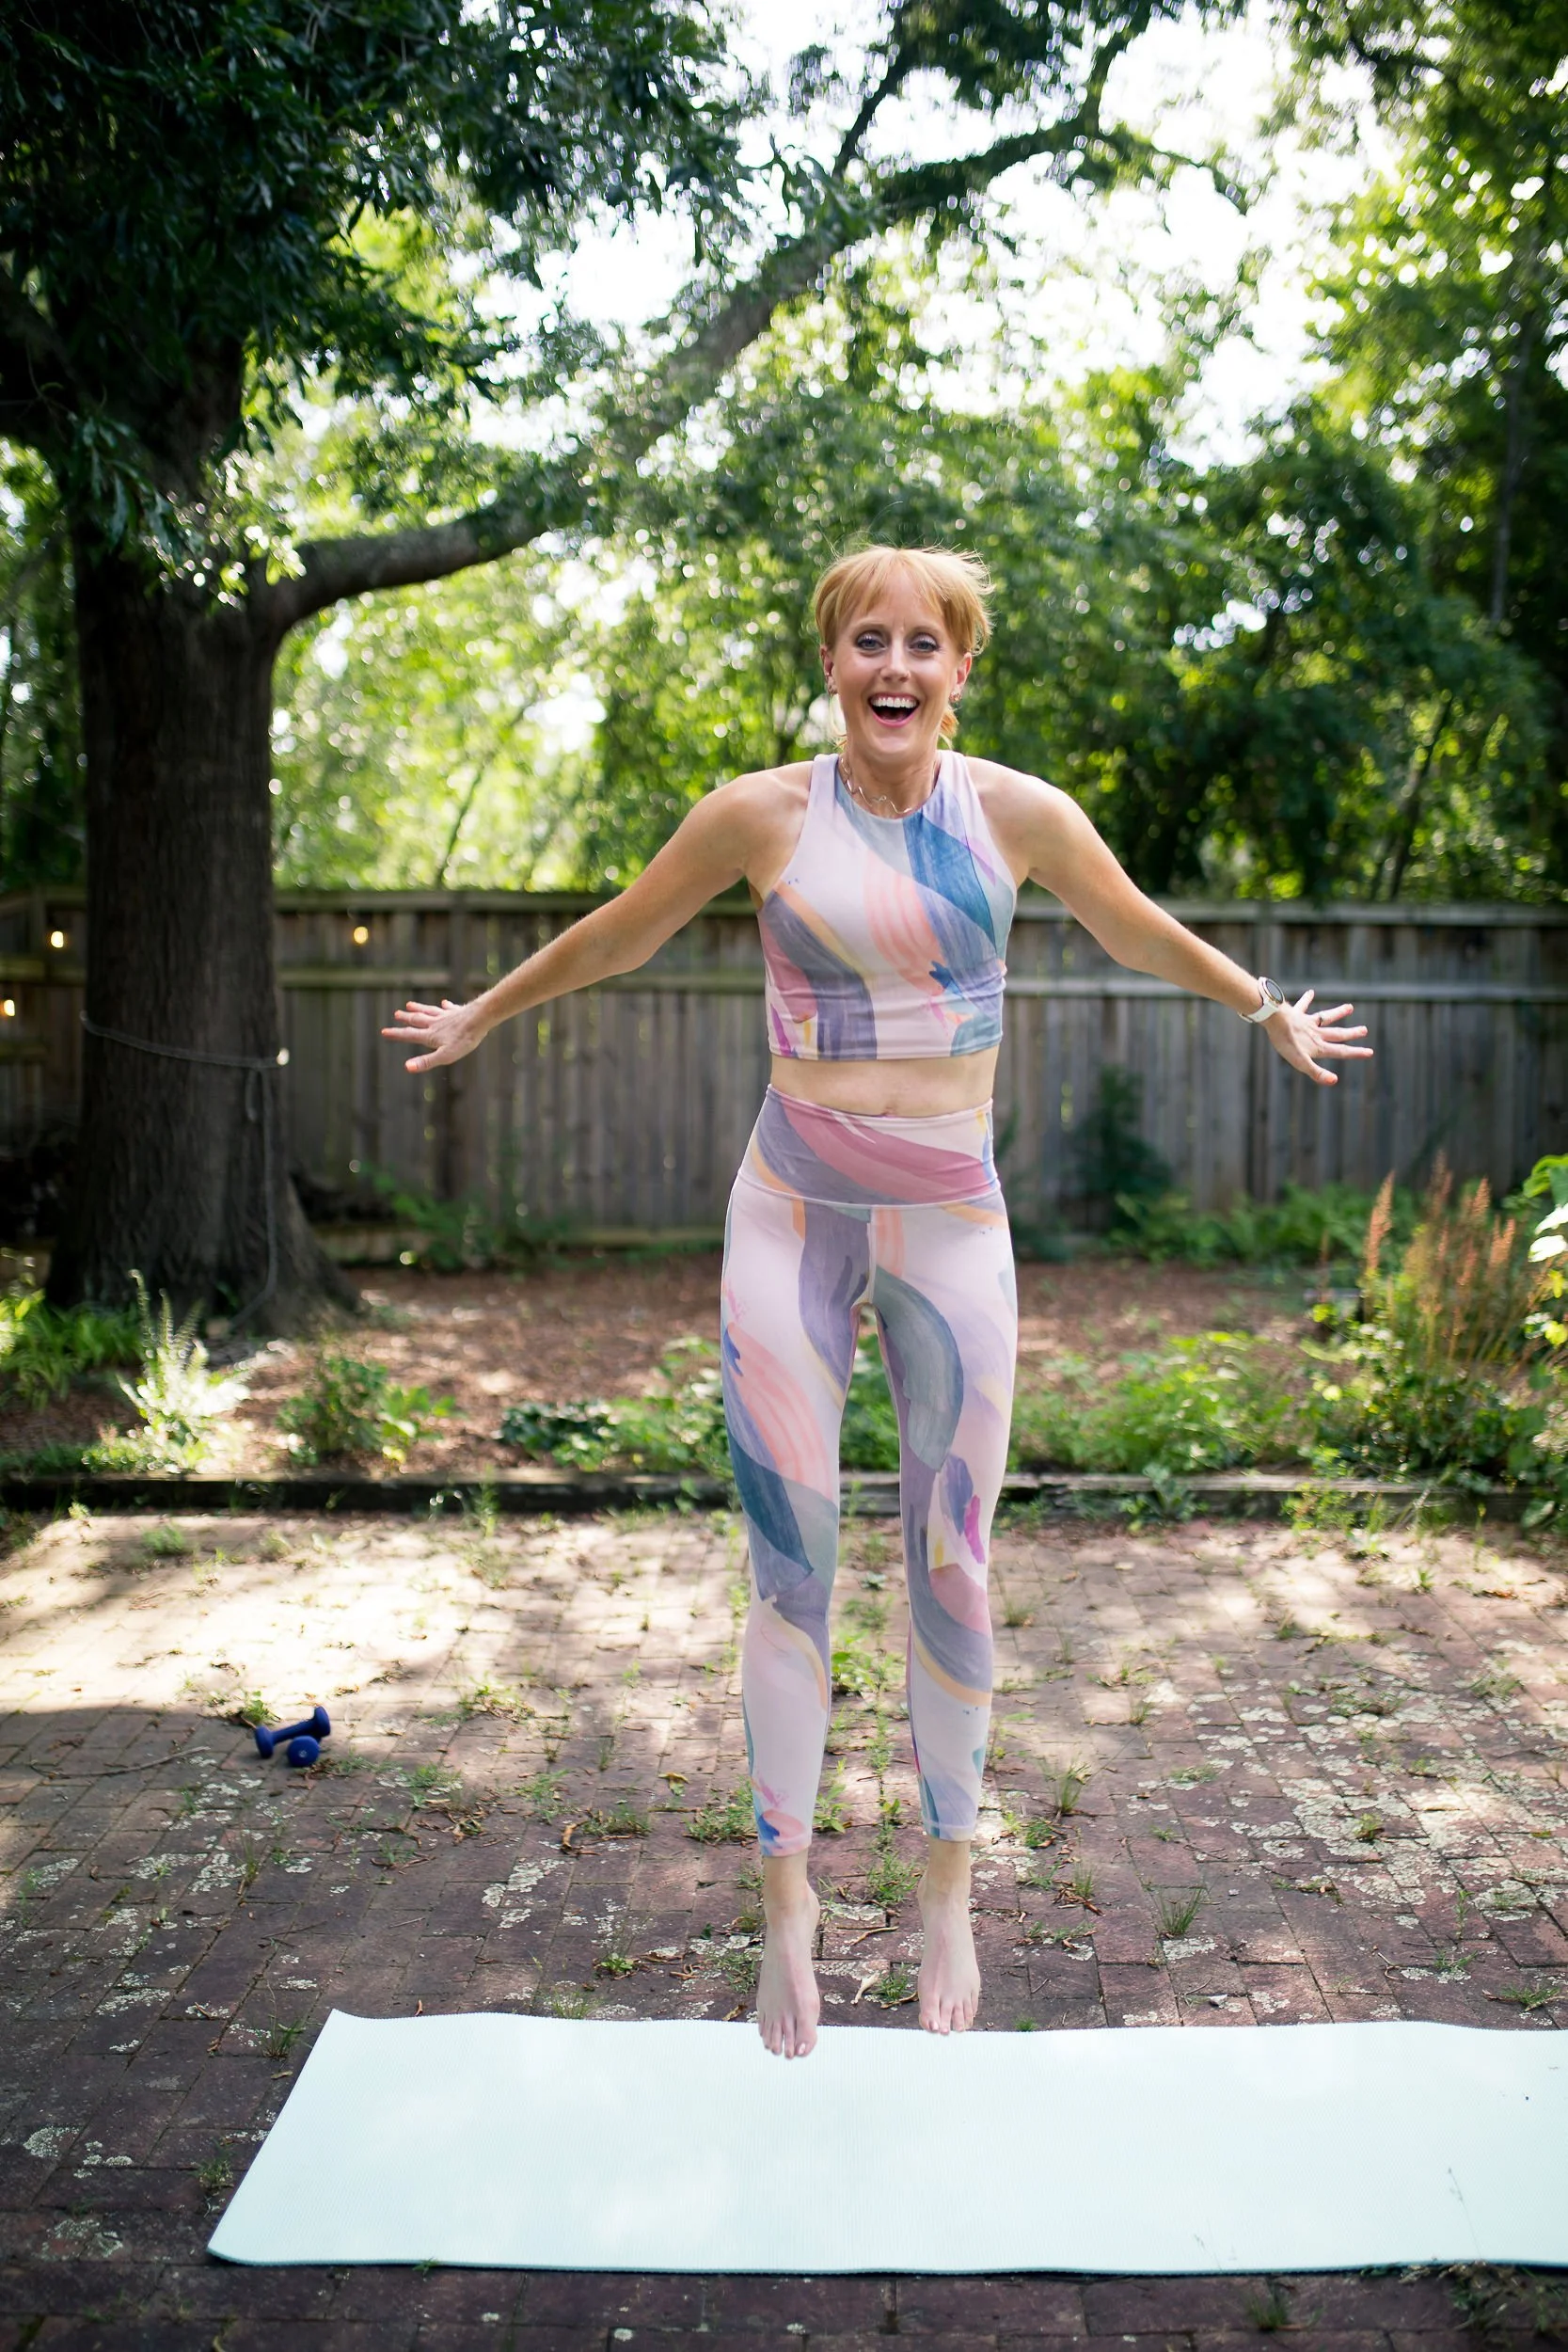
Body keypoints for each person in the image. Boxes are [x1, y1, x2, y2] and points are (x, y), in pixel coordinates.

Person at [383, 544, 1371, 2060]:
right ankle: (785, 1899)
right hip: (789, 1221)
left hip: (948, 1227)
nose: (893, 667)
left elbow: (1130, 924)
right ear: (831, 663)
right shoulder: (760, 815)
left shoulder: (1017, 815)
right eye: (865, 642)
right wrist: (484, 1012)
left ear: (959, 669)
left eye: (922, 643)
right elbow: (622, 927)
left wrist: (1260, 1008)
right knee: (791, 1566)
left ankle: (946, 1883)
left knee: (952, 1559)